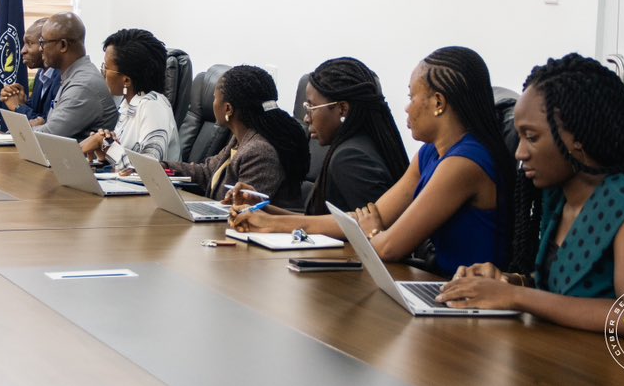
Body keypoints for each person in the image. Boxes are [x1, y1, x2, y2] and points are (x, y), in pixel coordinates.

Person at [437, 54, 624, 330]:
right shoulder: (559, 195)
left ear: (577, 137)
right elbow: (563, 288)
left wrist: (517, 297)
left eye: (531, 137)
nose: (519, 152)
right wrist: (508, 283)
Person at [239, 47, 514, 277]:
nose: (406, 107)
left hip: (465, 299)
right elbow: (368, 218)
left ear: (438, 103)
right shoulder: (430, 153)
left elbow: (388, 246)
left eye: (411, 97)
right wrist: (271, 221)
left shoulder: (464, 163)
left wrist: (371, 231)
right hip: (440, 287)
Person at [226, 57, 408, 234]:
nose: (306, 118)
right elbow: (319, 220)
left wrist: (273, 223)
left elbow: (366, 228)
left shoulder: (350, 157)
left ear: (342, 109)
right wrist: (262, 209)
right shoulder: (354, 146)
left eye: (311, 108)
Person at [166, 65, 308, 205]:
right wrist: (162, 167)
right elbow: (206, 172)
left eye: (215, 98)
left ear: (228, 108)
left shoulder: (259, 151)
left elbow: (242, 208)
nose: (213, 103)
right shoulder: (241, 139)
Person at [80, 28, 180, 168]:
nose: (103, 73)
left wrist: (104, 144)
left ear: (126, 80)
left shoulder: (153, 106)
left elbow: (149, 169)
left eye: (106, 68)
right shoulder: (127, 105)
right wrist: (104, 154)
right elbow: (124, 162)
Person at [32, 12, 118, 141]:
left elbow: (48, 136)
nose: (40, 49)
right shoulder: (73, 75)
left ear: (63, 45)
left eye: (43, 42)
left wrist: (21, 131)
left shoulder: (83, 85)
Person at [0, 18, 62, 121]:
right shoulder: (41, 74)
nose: (22, 51)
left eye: (30, 43)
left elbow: (49, 124)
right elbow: (37, 115)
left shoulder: (62, 77)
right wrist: (22, 102)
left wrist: (18, 107)